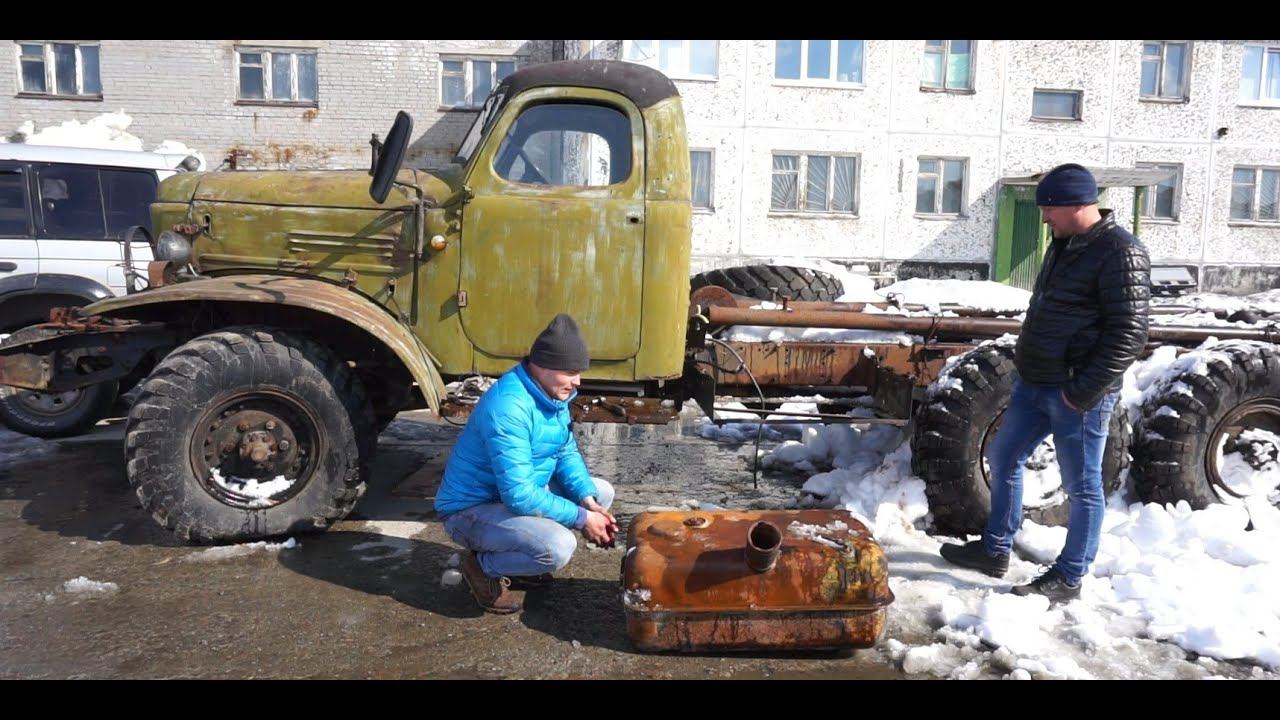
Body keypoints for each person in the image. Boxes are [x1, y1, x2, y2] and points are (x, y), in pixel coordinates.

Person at [940, 163, 1151, 602]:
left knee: (1082, 487)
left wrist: (1081, 392)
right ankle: (995, 549)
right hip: (1034, 384)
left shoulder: (1120, 251)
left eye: (1048, 209)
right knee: (1003, 457)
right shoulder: (1064, 243)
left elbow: (1129, 334)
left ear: (1076, 205)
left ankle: (1069, 577)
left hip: (1076, 394)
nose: (1043, 217)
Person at [436, 313, 619, 613]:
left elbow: (565, 451)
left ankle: (524, 562)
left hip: (508, 496)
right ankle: (482, 567)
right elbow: (519, 495)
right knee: (558, 546)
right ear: (544, 365)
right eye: (570, 372)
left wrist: (587, 502)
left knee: (600, 493)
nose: (577, 381)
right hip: (470, 510)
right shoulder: (509, 407)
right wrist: (581, 518)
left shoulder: (553, 394)